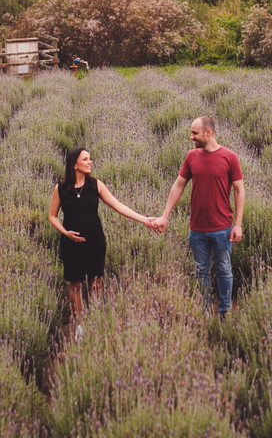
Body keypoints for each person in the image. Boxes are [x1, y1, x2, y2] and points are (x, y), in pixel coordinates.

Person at [150, 116, 245, 318]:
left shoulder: (230, 157)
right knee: (201, 271)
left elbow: (239, 190)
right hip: (197, 228)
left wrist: (238, 225)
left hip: (222, 228)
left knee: (224, 270)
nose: (191, 137)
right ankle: (203, 312)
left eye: (194, 133)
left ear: (208, 132)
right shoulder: (192, 156)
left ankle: (225, 312)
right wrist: (165, 216)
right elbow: (178, 185)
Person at [48, 147, 151, 326]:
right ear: (74, 164)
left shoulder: (95, 185)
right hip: (71, 244)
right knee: (75, 285)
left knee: (96, 283)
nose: (90, 162)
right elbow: (52, 216)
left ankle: (95, 322)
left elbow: (118, 206)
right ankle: (80, 326)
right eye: (85, 159)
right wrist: (65, 233)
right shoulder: (61, 188)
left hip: (94, 241)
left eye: (90, 159)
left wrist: (145, 219)